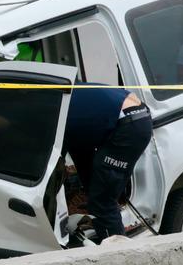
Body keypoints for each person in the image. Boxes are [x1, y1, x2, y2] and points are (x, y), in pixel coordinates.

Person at [63, 85, 153, 242]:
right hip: (131, 115)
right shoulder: (56, 94)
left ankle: (117, 253)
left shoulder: (50, 110)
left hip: (129, 125)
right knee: (97, 189)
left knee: (102, 203)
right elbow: (79, 152)